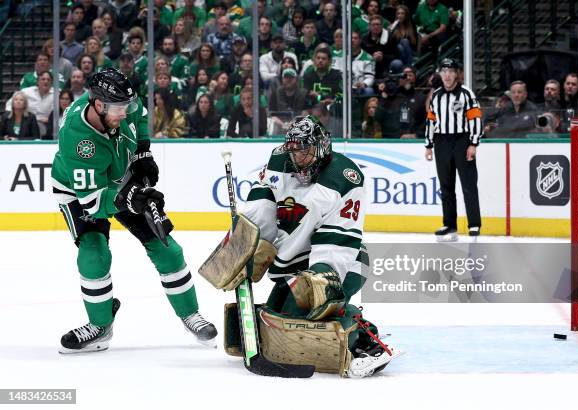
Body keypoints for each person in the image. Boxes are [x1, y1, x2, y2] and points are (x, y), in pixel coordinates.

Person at [215, 115, 400, 377]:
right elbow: (261, 207)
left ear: (321, 146)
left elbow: (337, 239)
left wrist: (321, 279)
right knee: (273, 315)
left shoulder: (344, 177)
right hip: (298, 262)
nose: (298, 158)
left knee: (310, 310)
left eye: (305, 150)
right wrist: (241, 248)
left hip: (342, 261)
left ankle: (367, 341)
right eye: (294, 151)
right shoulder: (280, 160)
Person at [50, 69, 217, 353]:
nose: (124, 113)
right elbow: (92, 201)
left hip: (121, 179)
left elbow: (138, 113)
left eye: (125, 106)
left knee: (168, 249)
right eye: (118, 109)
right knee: (93, 254)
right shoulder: (78, 140)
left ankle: (190, 314)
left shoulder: (121, 103)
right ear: (98, 105)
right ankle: (100, 326)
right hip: (81, 193)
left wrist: (143, 150)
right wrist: (132, 198)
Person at [424, 59, 483, 241]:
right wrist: (428, 145)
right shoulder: (437, 95)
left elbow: (476, 119)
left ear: (457, 73)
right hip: (442, 142)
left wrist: (473, 143)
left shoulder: (466, 94)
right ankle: (450, 224)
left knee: (468, 184)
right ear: (440, 74)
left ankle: (474, 223)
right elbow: (431, 121)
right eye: (444, 71)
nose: (447, 75)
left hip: (462, 141)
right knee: (446, 186)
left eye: (450, 71)